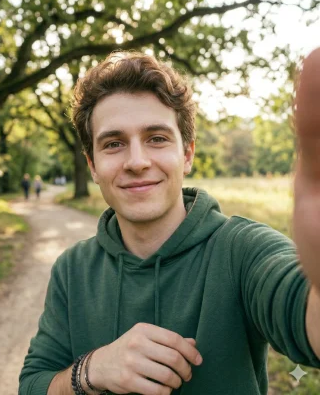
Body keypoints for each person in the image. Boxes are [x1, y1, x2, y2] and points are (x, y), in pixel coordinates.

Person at [19, 50, 320, 395]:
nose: (137, 162)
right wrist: (92, 369)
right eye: (114, 144)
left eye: (157, 139)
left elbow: (305, 314)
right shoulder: (72, 269)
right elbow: (32, 385)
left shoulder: (243, 251)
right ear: (92, 166)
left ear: (187, 154)